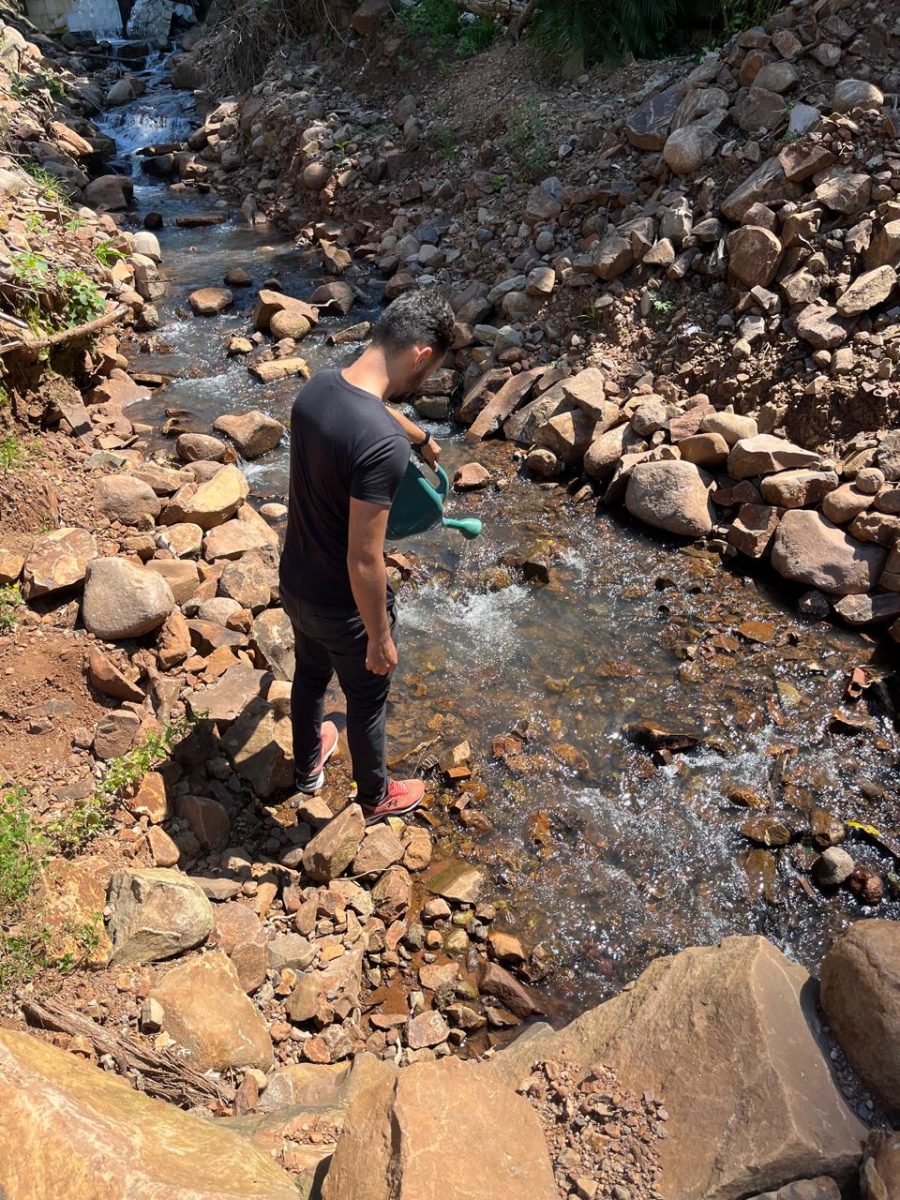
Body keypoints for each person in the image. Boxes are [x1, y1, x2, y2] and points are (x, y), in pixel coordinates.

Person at [279, 289, 455, 825]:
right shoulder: (381, 443)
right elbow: (364, 558)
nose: (421, 385)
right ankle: (376, 797)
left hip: (296, 582)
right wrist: (379, 636)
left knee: (309, 676)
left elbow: (370, 406)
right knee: (368, 693)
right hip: (343, 604)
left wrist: (420, 436)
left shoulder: (318, 389)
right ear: (421, 354)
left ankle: (308, 767)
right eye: (428, 373)